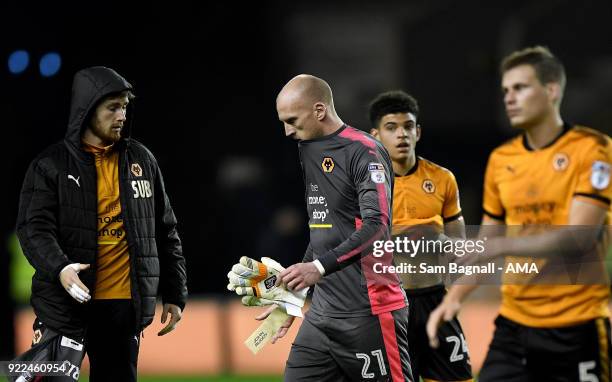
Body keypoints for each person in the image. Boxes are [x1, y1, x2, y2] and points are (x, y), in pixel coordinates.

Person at [427, 46, 612, 381]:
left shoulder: (593, 149)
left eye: (521, 87)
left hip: (577, 326)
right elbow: (486, 245)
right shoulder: (501, 160)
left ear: (551, 90)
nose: (509, 98)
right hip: (514, 327)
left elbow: (580, 237)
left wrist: (501, 247)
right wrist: (452, 299)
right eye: (506, 91)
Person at [13, 66, 188, 381]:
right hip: (64, 309)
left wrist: (175, 294)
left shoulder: (142, 160)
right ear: (88, 109)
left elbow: (165, 231)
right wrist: (61, 268)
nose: (121, 114)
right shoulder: (50, 165)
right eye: (112, 107)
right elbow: (33, 229)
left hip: (123, 309)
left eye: (124, 106)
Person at [265, 74, 413, 381]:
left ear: (319, 110)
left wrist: (318, 268)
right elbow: (324, 228)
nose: (287, 131)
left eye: (292, 120)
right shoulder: (308, 149)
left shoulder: (365, 151)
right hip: (321, 316)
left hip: (370, 312)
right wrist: (295, 294)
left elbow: (377, 226)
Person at [369, 90, 473, 382]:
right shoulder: (364, 187)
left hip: (435, 299)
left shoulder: (442, 179)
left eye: (407, 126)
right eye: (391, 128)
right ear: (376, 135)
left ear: (418, 132)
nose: (401, 134)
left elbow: (458, 246)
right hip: (390, 305)